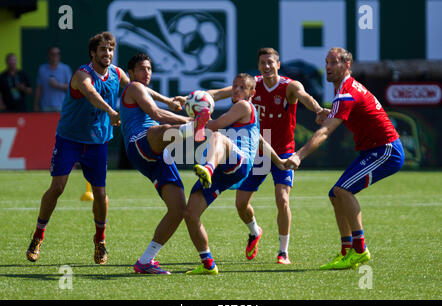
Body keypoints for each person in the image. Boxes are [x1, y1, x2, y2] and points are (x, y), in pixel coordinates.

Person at [288, 47, 405, 270]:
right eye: (327, 62)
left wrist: (299, 155)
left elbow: (325, 132)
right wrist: (328, 112)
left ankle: (360, 250)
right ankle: (347, 251)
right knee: (335, 194)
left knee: (343, 191)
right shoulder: (344, 90)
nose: (328, 67)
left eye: (334, 63)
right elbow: (340, 113)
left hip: (386, 150)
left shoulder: (347, 92)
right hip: (375, 150)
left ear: (347, 65)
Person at [25, 31, 130, 265]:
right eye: (103, 50)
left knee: (100, 194)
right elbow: (92, 95)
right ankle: (37, 236)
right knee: (57, 187)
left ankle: (100, 241)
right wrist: (111, 112)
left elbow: (137, 91)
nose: (108, 54)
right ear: (93, 53)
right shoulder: (81, 75)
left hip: (97, 143)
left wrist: (164, 101)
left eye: (111, 49)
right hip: (70, 140)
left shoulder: (116, 73)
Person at [183, 73, 291, 275]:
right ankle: (207, 264)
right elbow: (260, 141)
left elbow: (213, 127)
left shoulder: (243, 106)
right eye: (235, 86)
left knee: (217, 136)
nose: (236, 90)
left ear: (252, 93)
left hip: (237, 164)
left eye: (242, 87)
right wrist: (280, 162)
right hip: (224, 169)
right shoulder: (247, 116)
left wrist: (196, 118)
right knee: (190, 213)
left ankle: (207, 168)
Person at [119, 53, 201, 275]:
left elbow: (153, 96)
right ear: (131, 73)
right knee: (161, 128)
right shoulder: (134, 87)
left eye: (149, 69)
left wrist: (168, 101)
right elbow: (155, 113)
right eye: (142, 69)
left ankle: (146, 261)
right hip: (140, 144)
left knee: (178, 210)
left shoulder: (142, 88)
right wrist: (192, 121)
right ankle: (197, 129)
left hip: (158, 155)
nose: (147, 72)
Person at [33, 46, 72, 112]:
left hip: (61, 106)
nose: (55, 56)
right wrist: (35, 104)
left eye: (57, 54)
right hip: (45, 106)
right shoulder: (42, 69)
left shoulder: (65, 69)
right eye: (52, 54)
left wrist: (57, 85)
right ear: (49, 55)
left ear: (59, 56)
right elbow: (39, 88)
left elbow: (71, 87)